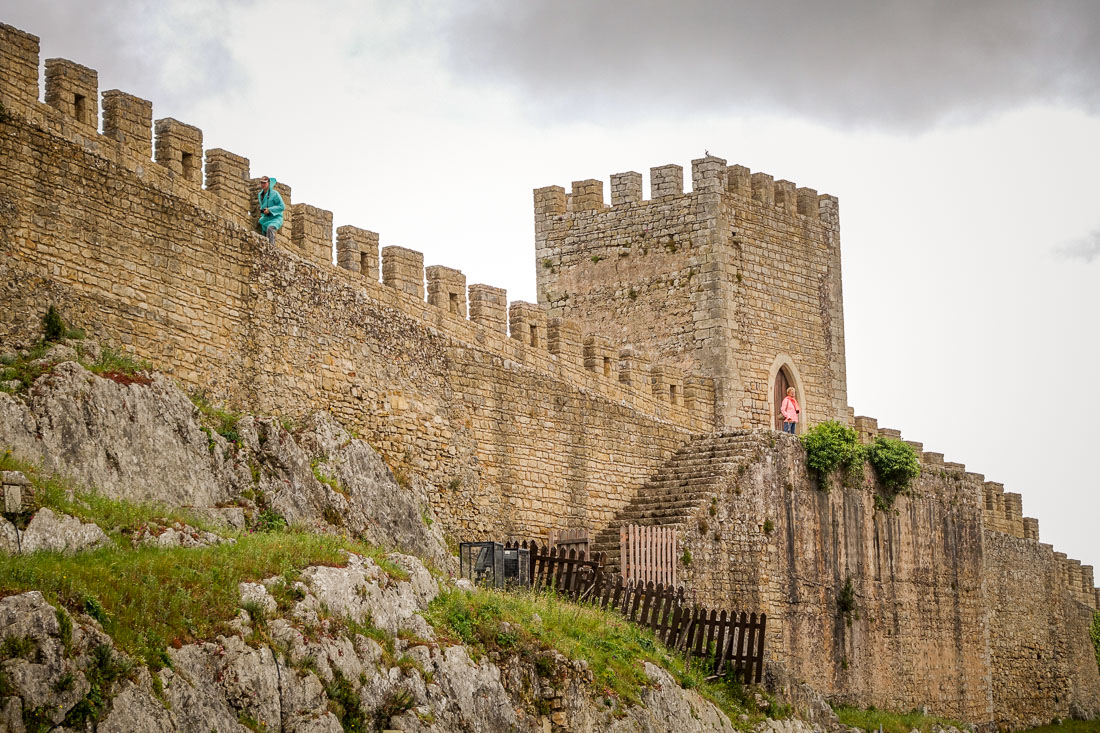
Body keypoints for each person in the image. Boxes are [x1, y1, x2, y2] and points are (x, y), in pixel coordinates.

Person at [257, 176, 284, 244]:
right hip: (266, 218)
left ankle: (271, 248)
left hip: (276, 218)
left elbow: (282, 206)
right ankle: (264, 245)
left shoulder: (275, 194)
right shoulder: (260, 195)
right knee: (261, 224)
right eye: (261, 183)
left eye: (264, 183)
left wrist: (270, 210)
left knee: (270, 228)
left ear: (268, 183)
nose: (263, 184)